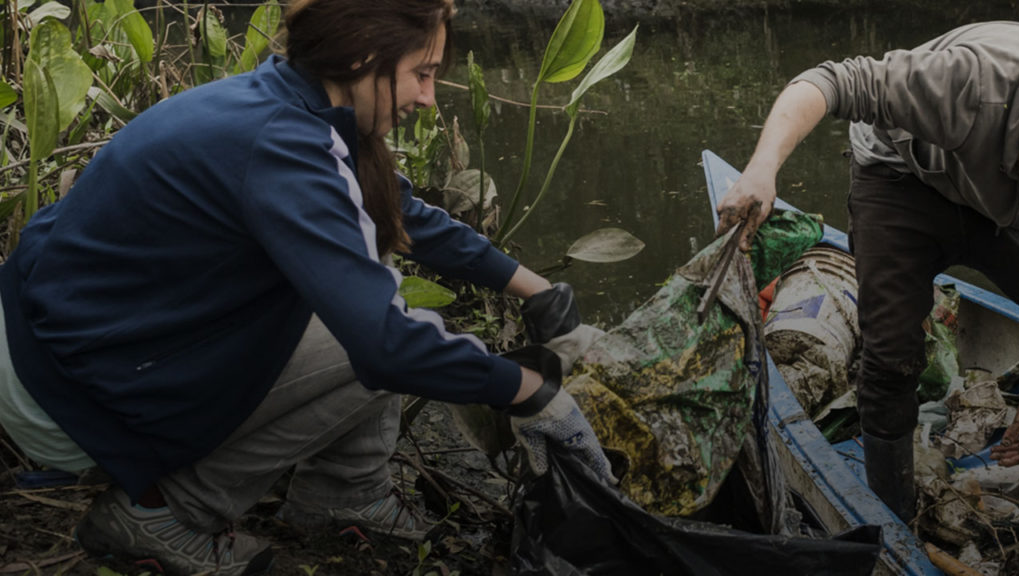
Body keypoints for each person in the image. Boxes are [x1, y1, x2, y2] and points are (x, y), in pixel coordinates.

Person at [0, 1, 609, 574]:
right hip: (63, 384)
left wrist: (537, 291)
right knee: (379, 339)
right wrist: (532, 393)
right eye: (421, 74)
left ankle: (346, 496)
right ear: (360, 56)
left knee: (375, 296)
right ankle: (164, 514)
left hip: (67, 330)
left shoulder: (287, 103)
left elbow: (402, 215)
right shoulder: (283, 145)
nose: (428, 97)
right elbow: (386, 348)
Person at [715, 21, 1019, 521]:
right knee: (891, 357)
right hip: (906, 181)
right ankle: (894, 516)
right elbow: (829, 82)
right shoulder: (976, 82)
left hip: (1015, 208)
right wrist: (764, 167)